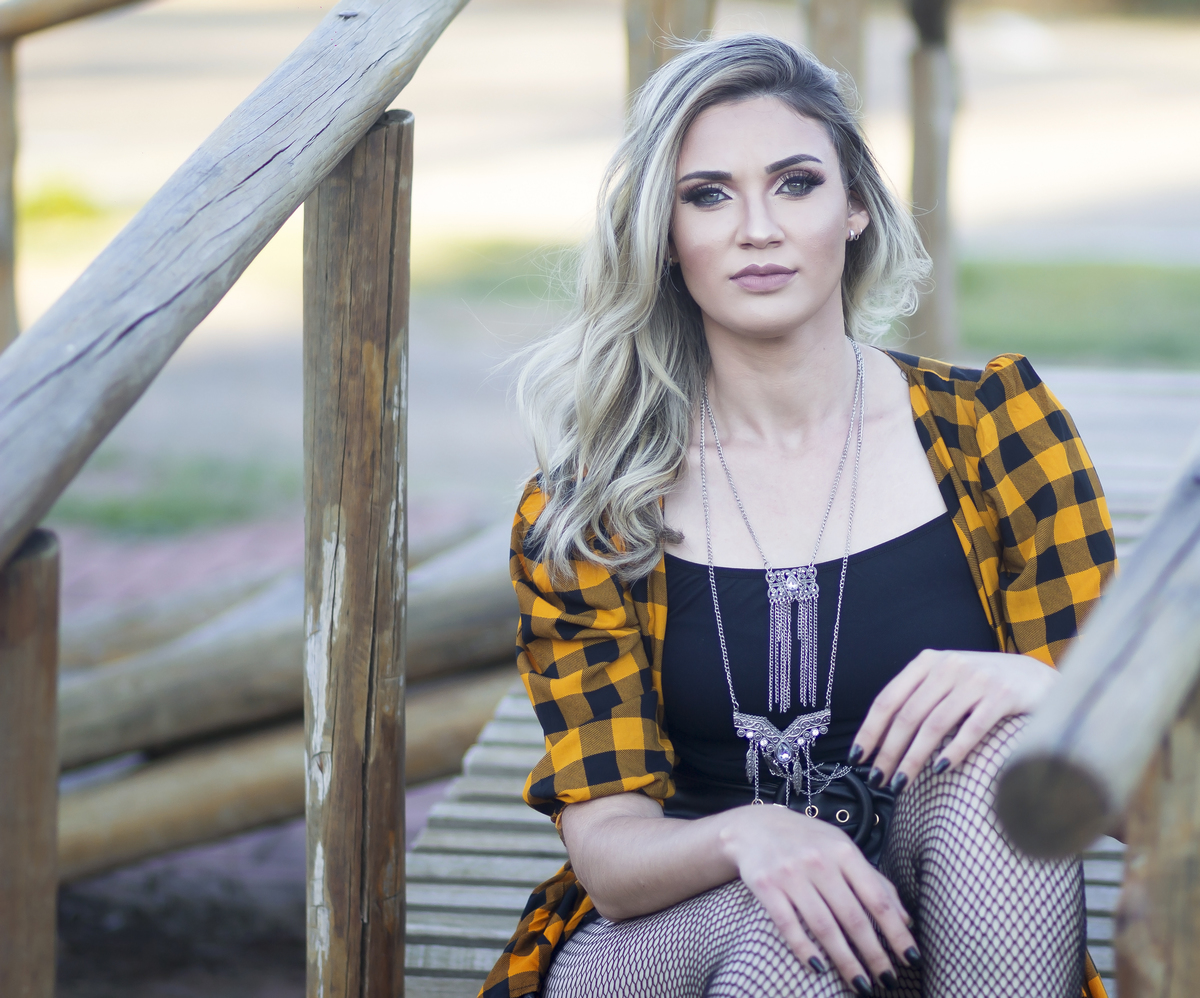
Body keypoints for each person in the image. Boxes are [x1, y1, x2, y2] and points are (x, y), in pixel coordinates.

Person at [481, 34, 1114, 998]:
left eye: (796, 183)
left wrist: (1048, 691)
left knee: (997, 757)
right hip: (683, 924)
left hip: (956, 911)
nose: (758, 229)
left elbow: (1142, 802)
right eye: (709, 195)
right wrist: (755, 836)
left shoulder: (997, 433)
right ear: (664, 235)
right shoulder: (593, 509)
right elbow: (610, 857)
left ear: (855, 206)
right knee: (791, 933)